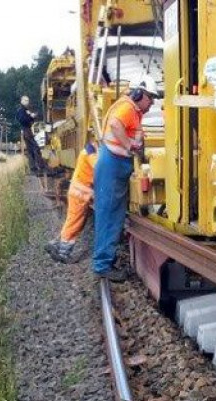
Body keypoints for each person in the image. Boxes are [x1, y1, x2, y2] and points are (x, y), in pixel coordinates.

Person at [92, 76, 158, 282]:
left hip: (115, 165)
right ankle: (102, 264)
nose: (152, 103)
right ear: (139, 94)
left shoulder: (133, 111)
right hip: (112, 164)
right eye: (151, 98)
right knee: (109, 215)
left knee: (114, 214)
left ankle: (105, 261)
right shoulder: (128, 108)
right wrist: (129, 146)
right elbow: (115, 125)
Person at [46, 143, 98, 263]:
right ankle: (63, 253)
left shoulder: (88, 151)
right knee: (74, 223)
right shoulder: (91, 155)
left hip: (77, 192)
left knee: (72, 220)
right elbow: (98, 166)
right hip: (80, 194)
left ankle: (56, 244)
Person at [16, 95, 46, 174]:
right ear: (21, 101)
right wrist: (30, 116)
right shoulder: (21, 110)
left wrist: (32, 116)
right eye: (25, 100)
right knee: (35, 147)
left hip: (27, 130)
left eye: (28, 100)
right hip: (26, 130)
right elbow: (22, 120)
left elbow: (26, 119)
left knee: (30, 150)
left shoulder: (24, 110)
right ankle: (41, 167)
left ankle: (33, 168)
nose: (27, 102)